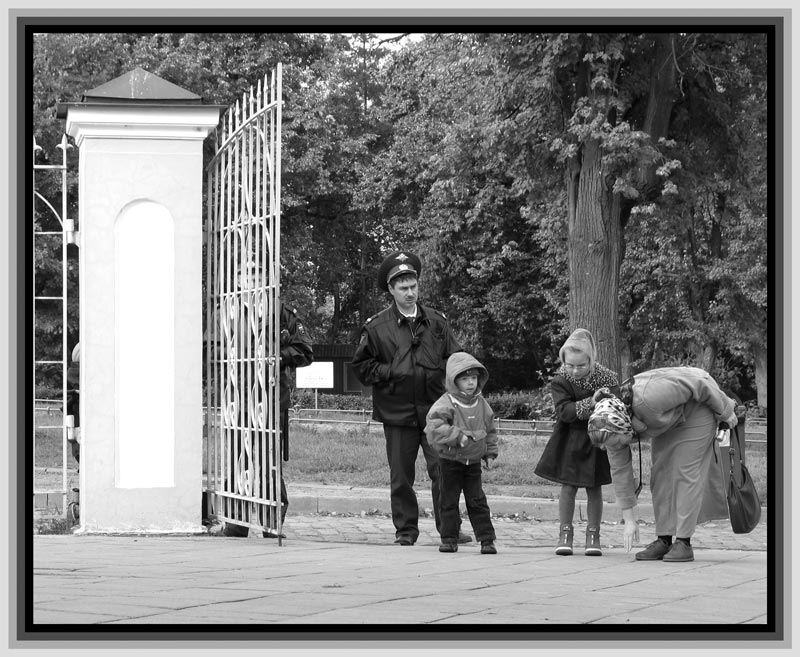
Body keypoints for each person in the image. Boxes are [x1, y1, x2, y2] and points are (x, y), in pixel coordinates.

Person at [351, 250, 468, 546]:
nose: (410, 293)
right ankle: (406, 530)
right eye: (403, 288)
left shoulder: (437, 323)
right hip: (397, 411)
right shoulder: (377, 327)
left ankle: (449, 529)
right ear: (391, 290)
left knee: (443, 471)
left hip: (435, 411)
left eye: (413, 286)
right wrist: (392, 371)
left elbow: (456, 360)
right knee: (401, 477)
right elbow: (362, 368)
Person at [587, 366, 738, 563]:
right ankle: (664, 539)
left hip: (696, 408)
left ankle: (684, 542)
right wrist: (630, 521)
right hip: (667, 419)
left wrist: (726, 411)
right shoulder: (608, 427)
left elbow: (698, 381)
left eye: (616, 443)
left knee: (685, 471)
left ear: (624, 427)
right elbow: (620, 472)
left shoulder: (649, 397)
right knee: (660, 474)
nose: (612, 448)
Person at [222, 287, 314, 538]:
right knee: (238, 460)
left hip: (270, 399)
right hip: (237, 397)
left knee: (268, 462)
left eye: (258, 271)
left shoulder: (283, 313)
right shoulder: (229, 310)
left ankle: (271, 523)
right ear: (239, 277)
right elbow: (211, 347)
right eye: (246, 271)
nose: (252, 277)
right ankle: (236, 523)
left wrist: (276, 356)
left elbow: (305, 351)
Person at [533, 328, 618, 556]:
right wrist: (591, 402)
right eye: (570, 365)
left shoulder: (608, 378)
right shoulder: (561, 380)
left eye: (581, 365)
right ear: (564, 361)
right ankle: (565, 533)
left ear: (591, 359)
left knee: (594, 487)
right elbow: (565, 412)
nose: (575, 370)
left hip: (596, 439)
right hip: (569, 438)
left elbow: (616, 406)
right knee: (568, 486)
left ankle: (593, 534)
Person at [425, 352, 499, 554]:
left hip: (473, 462)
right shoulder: (446, 402)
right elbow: (434, 426)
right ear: (453, 380)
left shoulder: (482, 404)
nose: (470, 383)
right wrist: (456, 436)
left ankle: (486, 539)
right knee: (448, 500)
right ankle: (449, 538)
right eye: (465, 379)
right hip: (450, 461)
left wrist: (490, 453)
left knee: (477, 501)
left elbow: (490, 430)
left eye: (473, 378)